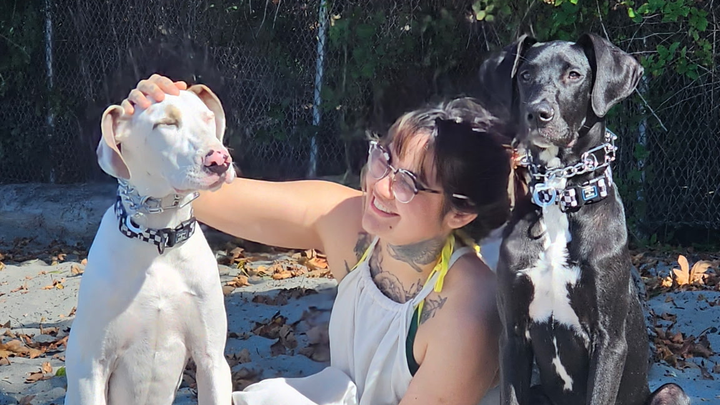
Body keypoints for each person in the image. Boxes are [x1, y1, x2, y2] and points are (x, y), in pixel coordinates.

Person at [121, 74, 512, 405]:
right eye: (384, 158)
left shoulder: (467, 312)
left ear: (460, 214)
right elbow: (200, 195)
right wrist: (144, 133)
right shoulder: (351, 226)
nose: (381, 187)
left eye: (408, 183)